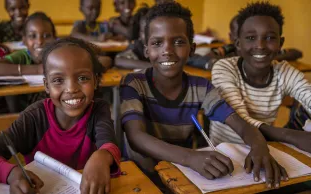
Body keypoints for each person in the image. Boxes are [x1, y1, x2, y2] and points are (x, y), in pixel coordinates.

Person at [120, 2, 287, 190]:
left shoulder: (201, 87)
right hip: (139, 174)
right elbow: (136, 136)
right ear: (146, 50)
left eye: (178, 42)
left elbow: (238, 123)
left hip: (180, 172)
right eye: (157, 43)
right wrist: (190, 157)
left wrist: (259, 146)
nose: (167, 50)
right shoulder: (133, 83)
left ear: (192, 49)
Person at [0, 37, 121, 194]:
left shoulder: (98, 110)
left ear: (95, 81)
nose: (71, 88)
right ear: (46, 85)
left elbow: (109, 145)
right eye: (58, 80)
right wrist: (13, 175)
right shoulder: (34, 117)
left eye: (82, 78)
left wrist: (102, 156)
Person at [210, 1, 311, 156]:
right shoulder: (224, 68)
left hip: (265, 149)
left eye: (270, 38)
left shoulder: (284, 72)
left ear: (280, 43)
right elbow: (239, 118)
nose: (260, 45)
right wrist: (290, 135)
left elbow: (307, 94)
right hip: (224, 153)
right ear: (238, 43)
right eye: (251, 37)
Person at [114, 5, 151, 69]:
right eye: (144, 32)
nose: (148, 35)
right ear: (139, 33)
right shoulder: (138, 45)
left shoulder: (163, 45)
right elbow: (119, 60)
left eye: (152, 30)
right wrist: (152, 67)